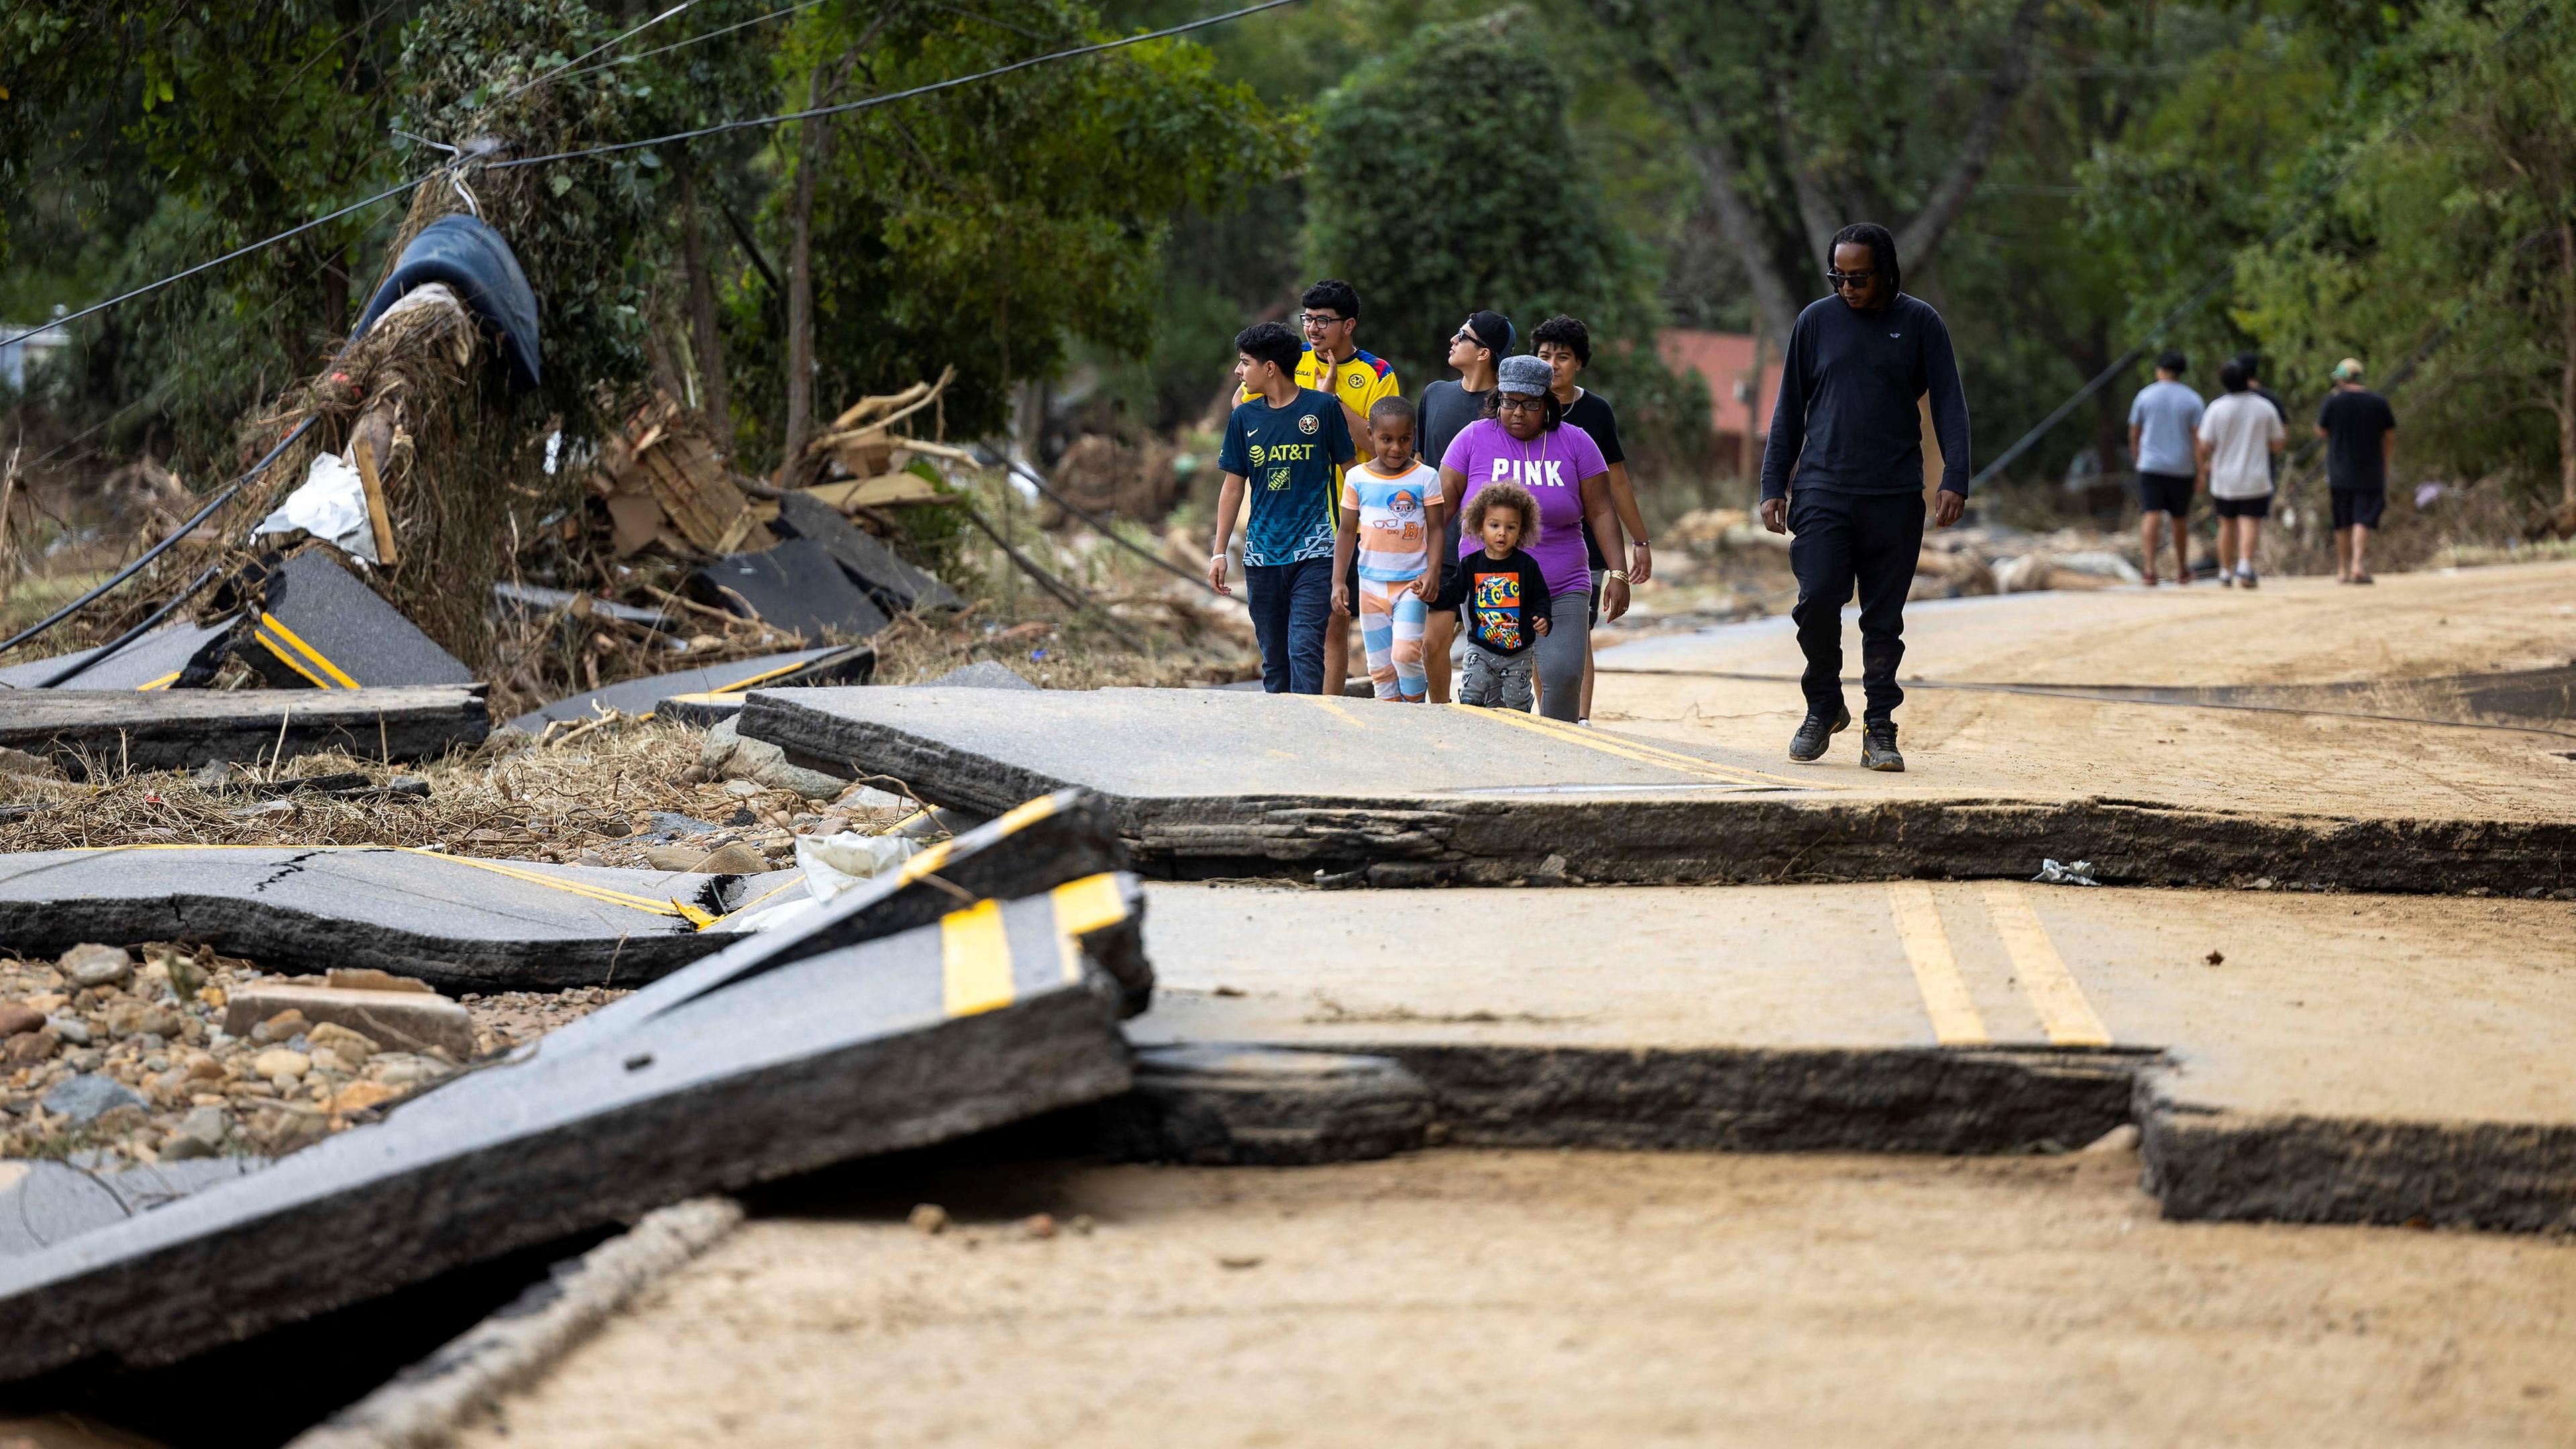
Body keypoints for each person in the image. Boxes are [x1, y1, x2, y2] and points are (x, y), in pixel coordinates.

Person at [1760, 222, 1970, 773]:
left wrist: (1955, 477)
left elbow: (1949, 402)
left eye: (1858, 278)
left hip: (1895, 494)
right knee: (1816, 604)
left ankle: (1880, 729)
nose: (1847, 288)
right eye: (1838, 277)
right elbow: (1788, 410)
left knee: (1883, 619)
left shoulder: (1920, 323)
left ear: (1887, 272)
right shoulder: (1815, 322)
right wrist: (1771, 484)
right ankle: (1824, 703)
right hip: (1823, 487)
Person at [1439, 354, 1627, 722]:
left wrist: (1619, 574)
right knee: (1491, 686)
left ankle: (1558, 752)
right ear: (1498, 399)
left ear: (1548, 403)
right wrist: (1423, 566)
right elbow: (1440, 509)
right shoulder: (1472, 439)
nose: (1518, 412)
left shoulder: (1576, 443)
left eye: (1530, 404)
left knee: (1562, 675)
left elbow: (1602, 510)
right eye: (1509, 402)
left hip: (1562, 583)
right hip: (1488, 587)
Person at [1238, 280, 1401, 695]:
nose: (1312, 328)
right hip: (1290, 511)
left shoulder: (1377, 373)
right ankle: (1308, 704)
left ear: (1349, 325)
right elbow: (1241, 409)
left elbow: (1382, 442)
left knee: (1337, 617)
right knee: (1310, 623)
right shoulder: (1290, 362)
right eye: (1307, 319)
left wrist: (1328, 403)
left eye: (1322, 321)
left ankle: (1329, 706)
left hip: (1352, 514)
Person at [1210, 321, 1354, 693]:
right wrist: (1218, 552)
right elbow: (1232, 487)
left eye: (1245, 363)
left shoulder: (1322, 408)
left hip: (1317, 552)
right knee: (1274, 660)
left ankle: (1309, 735)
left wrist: (1365, 532)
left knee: (1305, 650)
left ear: (1269, 367)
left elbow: (1352, 474)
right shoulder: (1243, 417)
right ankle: (1284, 736)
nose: (1239, 371)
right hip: (1262, 557)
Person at [1530, 316, 1652, 722]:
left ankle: (1580, 718)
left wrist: (1640, 541)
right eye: (1544, 356)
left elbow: (1616, 481)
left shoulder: (1595, 412)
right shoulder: (1520, 409)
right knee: (1534, 629)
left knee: (1575, 631)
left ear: (1579, 362)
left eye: (1562, 357)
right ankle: (1550, 713)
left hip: (1586, 545)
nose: (1553, 365)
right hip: (1530, 540)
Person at [1415, 311, 1511, 704]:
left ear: (1485, 353)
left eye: (1464, 336)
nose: (1453, 340)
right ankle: (1439, 713)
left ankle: (1496, 715)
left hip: (1491, 549)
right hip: (1441, 542)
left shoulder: (1508, 409)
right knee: (1432, 644)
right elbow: (1420, 462)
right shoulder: (1435, 394)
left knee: (1495, 647)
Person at [1331, 396, 1442, 701]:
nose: (1396, 448)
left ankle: (1415, 708)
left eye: (1405, 439)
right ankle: (1392, 729)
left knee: (1406, 654)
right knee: (1380, 667)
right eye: (1387, 439)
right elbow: (1345, 532)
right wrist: (1339, 581)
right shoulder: (1356, 478)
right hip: (1370, 586)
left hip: (1412, 585)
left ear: (1413, 435)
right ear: (1370, 435)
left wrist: (1433, 572)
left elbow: (1437, 528)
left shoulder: (1426, 477)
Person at [1426, 482, 1551, 710]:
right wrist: (1431, 594)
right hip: (1480, 648)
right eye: (1494, 525)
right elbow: (1453, 594)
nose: (1502, 532)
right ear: (1479, 526)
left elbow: (1541, 597)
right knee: (1472, 695)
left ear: (1521, 531)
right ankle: (1472, 733)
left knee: (1517, 704)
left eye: (1511, 527)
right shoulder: (1470, 565)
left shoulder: (1527, 566)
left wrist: (1543, 617)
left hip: (1518, 651)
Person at [2196, 359, 2285, 588]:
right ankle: (2245, 565)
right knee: (2250, 522)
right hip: (2255, 476)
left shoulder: (2217, 408)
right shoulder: (2264, 407)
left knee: (2226, 523)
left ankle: (2225, 571)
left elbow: (2204, 444)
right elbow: (2277, 444)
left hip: (2224, 477)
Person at [2316, 357, 2397, 585]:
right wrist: (2385, 462)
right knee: (2362, 518)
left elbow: (2321, 431)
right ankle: (2358, 565)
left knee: (2342, 520)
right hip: (2370, 470)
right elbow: (2389, 436)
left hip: (2339, 470)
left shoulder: (2333, 401)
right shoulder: (2378, 402)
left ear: (2342, 379)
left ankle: (2342, 569)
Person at [2127, 350, 2205, 586]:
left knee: (2151, 513)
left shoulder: (2145, 396)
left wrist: (2138, 457)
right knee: (2179, 518)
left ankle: (2149, 570)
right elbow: (2197, 439)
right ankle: (2182, 569)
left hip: (2150, 465)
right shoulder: (2193, 400)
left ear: (2159, 370)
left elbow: (2134, 432)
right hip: (2181, 467)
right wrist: (2201, 471)